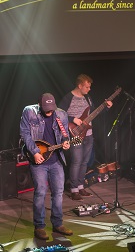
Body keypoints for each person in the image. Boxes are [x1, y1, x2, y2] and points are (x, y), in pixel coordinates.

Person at [20, 93, 73, 240]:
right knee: (41, 193)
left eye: (51, 108)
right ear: (39, 105)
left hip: (56, 160)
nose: (49, 111)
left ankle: (57, 224)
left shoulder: (61, 114)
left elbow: (65, 134)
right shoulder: (29, 111)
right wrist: (35, 152)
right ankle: (39, 226)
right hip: (38, 161)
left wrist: (66, 142)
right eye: (46, 109)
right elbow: (25, 133)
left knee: (58, 193)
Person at [59, 74, 113, 201]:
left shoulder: (87, 97)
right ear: (80, 86)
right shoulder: (69, 97)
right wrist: (73, 119)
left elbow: (94, 113)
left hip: (88, 135)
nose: (89, 89)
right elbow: (58, 114)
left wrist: (106, 108)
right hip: (76, 134)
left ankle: (80, 186)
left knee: (85, 162)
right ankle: (73, 190)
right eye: (87, 87)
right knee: (76, 161)